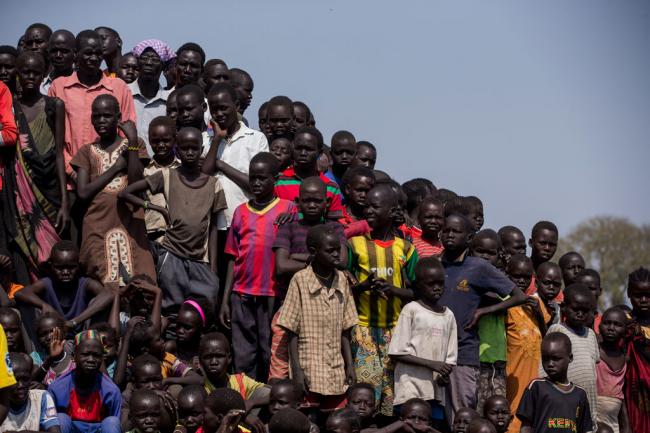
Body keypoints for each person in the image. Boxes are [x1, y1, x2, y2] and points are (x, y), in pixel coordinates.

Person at [119, 126, 226, 315]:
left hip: (200, 260)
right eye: (185, 148)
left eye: (194, 148)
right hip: (172, 255)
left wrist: (213, 266)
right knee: (172, 309)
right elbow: (125, 193)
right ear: (177, 150)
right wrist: (155, 207)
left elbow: (214, 227)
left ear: (202, 150)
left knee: (204, 307)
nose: (190, 152)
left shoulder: (213, 184)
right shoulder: (168, 176)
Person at [438, 213, 527, 420]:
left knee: (461, 418)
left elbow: (519, 296)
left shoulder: (478, 267)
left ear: (469, 238)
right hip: (431, 353)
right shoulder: (434, 264)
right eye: (446, 230)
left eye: (456, 231)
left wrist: (484, 310)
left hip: (462, 355)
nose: (450, 235)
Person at [219, 153, 295, 380]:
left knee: (270, 354)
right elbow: (232, 257)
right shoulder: (240, 212)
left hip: (273, 294)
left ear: (275, 179)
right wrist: (225, 299)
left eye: (262, 178)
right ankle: (245, 397)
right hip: (242, 294)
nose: (256, 183)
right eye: (253, 178)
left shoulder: (287, 209)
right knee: (244, 356)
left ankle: (270, 398)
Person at [347, 183, 419, 416]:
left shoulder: (406, 249)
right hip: (363, 329)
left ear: (391, 211)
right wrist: (363, 287)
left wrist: (394, 290)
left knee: (391, 397)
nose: (368, 210)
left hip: (395, 332)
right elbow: (344, 289)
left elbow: (418, 293)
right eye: (366, 206)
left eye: (375, 206)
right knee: (364, 398)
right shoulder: (355, 245)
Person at [69, 94, 155, 287]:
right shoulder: (86, 152)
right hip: (97, 224)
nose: (101, 120)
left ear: (118, 118)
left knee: (142, 279)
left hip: (130, 222)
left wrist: (132, 142)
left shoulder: (135, 144)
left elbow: (136, 182)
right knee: (102, 279)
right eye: (97, 116)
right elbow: (82, 193)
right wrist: (116, 167)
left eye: (107, 116)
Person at [269, 177, 346, 379]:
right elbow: (281, 266)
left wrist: (297, 257)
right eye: (307, 200)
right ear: (298, 202)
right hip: (289, 306)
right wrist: (320, 260)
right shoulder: (289, 226)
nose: (312, 205)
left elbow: (341, 261)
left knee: (315, 366)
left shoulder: (335, 228)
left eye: (317, 201)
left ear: (327, 203)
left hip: (325, 309)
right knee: (280, 366)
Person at [277, 224, 358, 413]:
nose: (337, 255)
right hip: (308, 367)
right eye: (330, 251)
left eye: (338, 249)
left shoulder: (342, 280)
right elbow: (291, 330)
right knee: (309, 419)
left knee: (336, 419)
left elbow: (346, 330)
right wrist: (297, 370)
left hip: (335, 367)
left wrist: (349, 365)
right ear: (313, 252)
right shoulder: (300, 280)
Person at [6, 51, 68, 278]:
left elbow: (59, 154)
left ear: (44, 75)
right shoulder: (9, 108)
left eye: (36, 72)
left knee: (55, 257)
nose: (31, 77)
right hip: (19, 192)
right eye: (26, 72)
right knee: (23, 251)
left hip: (50, 190)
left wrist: (64, 203)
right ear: (17, 73)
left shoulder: (54, 105)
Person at [48, 29, 136, 187]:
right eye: (88, 53)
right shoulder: (58, 87)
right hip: (69, 182)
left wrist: (109, 171)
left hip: (111, 181)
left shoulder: (119, 88)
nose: (94, 58)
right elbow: (53, 138)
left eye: (98, 53)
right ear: (76, 54)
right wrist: (73, 173)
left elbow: (126, 135)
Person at [201, 82, 269, 285]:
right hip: (214, 226)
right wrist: (216, 140)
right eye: (215, 110)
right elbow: (203, 176)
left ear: (237, 106)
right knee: (216, 279)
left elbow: (256, 184)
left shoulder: (256, 139)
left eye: (224, 108)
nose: (219, 114)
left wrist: (221, 165)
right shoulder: (205, 139)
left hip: (245, 225)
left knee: (242, 280)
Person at [388, 257, 457, 425]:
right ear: (419, 285)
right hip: (409, 387)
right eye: (431, 284)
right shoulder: (411, 310)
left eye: (440, 283)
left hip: (435, 391)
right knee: (408, 425)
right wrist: (432, 364)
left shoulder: (448, 315)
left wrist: (444, 375)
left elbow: (450, 360)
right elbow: (396, 352)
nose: (437, 287)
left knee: (430, 426)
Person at [16, 240, 114, 329]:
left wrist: (74, 322)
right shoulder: (47, 283)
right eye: (60, 268)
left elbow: (108, 295)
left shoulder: (85, 283)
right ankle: (35, 344)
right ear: (51, 266)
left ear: (78, 266)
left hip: (83, 336)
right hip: (53, 334)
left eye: (71, 267)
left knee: (98, 302)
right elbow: (20, 293)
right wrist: (44, 305)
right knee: (27, 306)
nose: (66, 272)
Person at [504, 255, 549, 433]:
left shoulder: (536, 304)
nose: (521, 281)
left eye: (526, 277)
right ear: (507, 275)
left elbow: (547, 338)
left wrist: (538, 314)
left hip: (535, 381)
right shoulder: (504, 305)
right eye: (517, 276)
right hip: (513, 378)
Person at [545, 284, 600, 428]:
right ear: (564, 308)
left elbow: (594, 367)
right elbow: (546, 365)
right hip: (563, 398)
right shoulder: (557, 330)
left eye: (585, 311)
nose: (580, 314)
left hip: (588, 399)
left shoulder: (591, 334)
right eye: (575, 309)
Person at [517, 332, 592, 433]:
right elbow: (526, 425)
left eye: (556, 359)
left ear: (570, 358)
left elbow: (585, 429)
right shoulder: (537, 386)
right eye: (545, 359)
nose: (550, 364)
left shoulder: (580, 394)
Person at [48, 331, 122, 433]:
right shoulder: (57, 388)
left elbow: (114, 423)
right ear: (73, 356)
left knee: (112, 422)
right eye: (85, 354)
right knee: (60, 419)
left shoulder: (111, 391)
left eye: (96, 355)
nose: (91, 359)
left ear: (102, 358)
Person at [467, 229, 507, 414]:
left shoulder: (501, 280)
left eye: (491, 253)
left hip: (497, 360)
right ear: (470, 251)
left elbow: (507, 302)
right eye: (480, 251)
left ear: (499, 256)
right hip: (474, 358)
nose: (485, 257)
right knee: (475, 410)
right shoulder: (466, 276)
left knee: (497, 412)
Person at [197, 332, 270, 423]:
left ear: (229, 358)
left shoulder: (240, 381)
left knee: (265, 393)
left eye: (219, 356)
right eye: (208, 357)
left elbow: (274, 393)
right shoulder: (200, 389)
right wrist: (244, 416)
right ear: (200, 361)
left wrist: (252, 402)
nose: (214, 362)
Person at [274, 126, 344, 218]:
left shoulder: (331, 187)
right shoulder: (278, 183)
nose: (303, 153)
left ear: (320, 152)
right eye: (299, 148)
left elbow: (334, 224)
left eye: (309, 149)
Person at [129, 39, 175, 155]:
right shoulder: (124, 93)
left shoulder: (169, 101)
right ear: (138, 62)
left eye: (155, 59)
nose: (149, 62)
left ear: (163, 66)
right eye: (145, 58)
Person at [139, 116, 180, 242]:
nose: (161, 145)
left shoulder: (183, 169)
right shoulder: (145, 170)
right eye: (155, 141)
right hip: (152, 234)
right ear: (149, 141)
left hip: (179, 235)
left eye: (166, 140)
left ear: (175, 139)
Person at [1, 352, 61, 432]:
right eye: (15, 380)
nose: (20, 385)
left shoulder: (41, 398)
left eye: (25, 379)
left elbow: (55, 431)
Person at [120, 354, 178, 433]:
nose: (152, 386)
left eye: (156, 380)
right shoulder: (128, 395)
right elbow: (124, 427)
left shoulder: (166, 393)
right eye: (145, 382)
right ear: (134, 382)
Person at [623, 267, 650, 432]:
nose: (644, 300)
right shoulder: (624, 324)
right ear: (629, 294)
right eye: (638, 295)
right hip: (633, 394)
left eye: (648, 295)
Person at [596, 307, 629, 433]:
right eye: (607, 323)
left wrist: (626, 426)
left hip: (613, 422)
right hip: (592, 417)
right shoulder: (595, 351)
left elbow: (622, 395)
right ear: (599, 327)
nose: (611, 328)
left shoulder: (626, 358)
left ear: (625, 331)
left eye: (617, 324)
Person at [166, 297, 216, 366]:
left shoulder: (206, 351)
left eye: (187, 327)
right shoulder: (170, 348)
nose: (180, 331)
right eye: (178, 325)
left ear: (201, 330)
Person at [30, 312, 75, 385]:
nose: (48, 337)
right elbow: (33, 380)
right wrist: (50, 359)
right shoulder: (36, 356)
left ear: (64, 332)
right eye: (43, 334)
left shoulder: (72, 349)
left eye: (52, 331)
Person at [174, 85, 211, 156]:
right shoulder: (175, 140)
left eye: (189, 109)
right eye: (180, 110)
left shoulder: (213, 137)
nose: (185, 114)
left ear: (204, 107)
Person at [338, 166, 374, 238]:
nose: (363, 195)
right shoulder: (337, 215)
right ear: (348, 189)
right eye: (359, 190)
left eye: (367, 191)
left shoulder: (375, 220)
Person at [41, 30, 75, 95]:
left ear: (74, 53)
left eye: (64, 51)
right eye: (54, 51)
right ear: (48, 53)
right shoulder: (40, 87)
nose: (58, 55)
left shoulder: (84, 84)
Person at [533, 262, 563, 326]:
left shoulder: (556, 307)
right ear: (536, 283)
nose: (551, 287)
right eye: (547, 283)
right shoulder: (531, 302)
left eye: (556, 284)